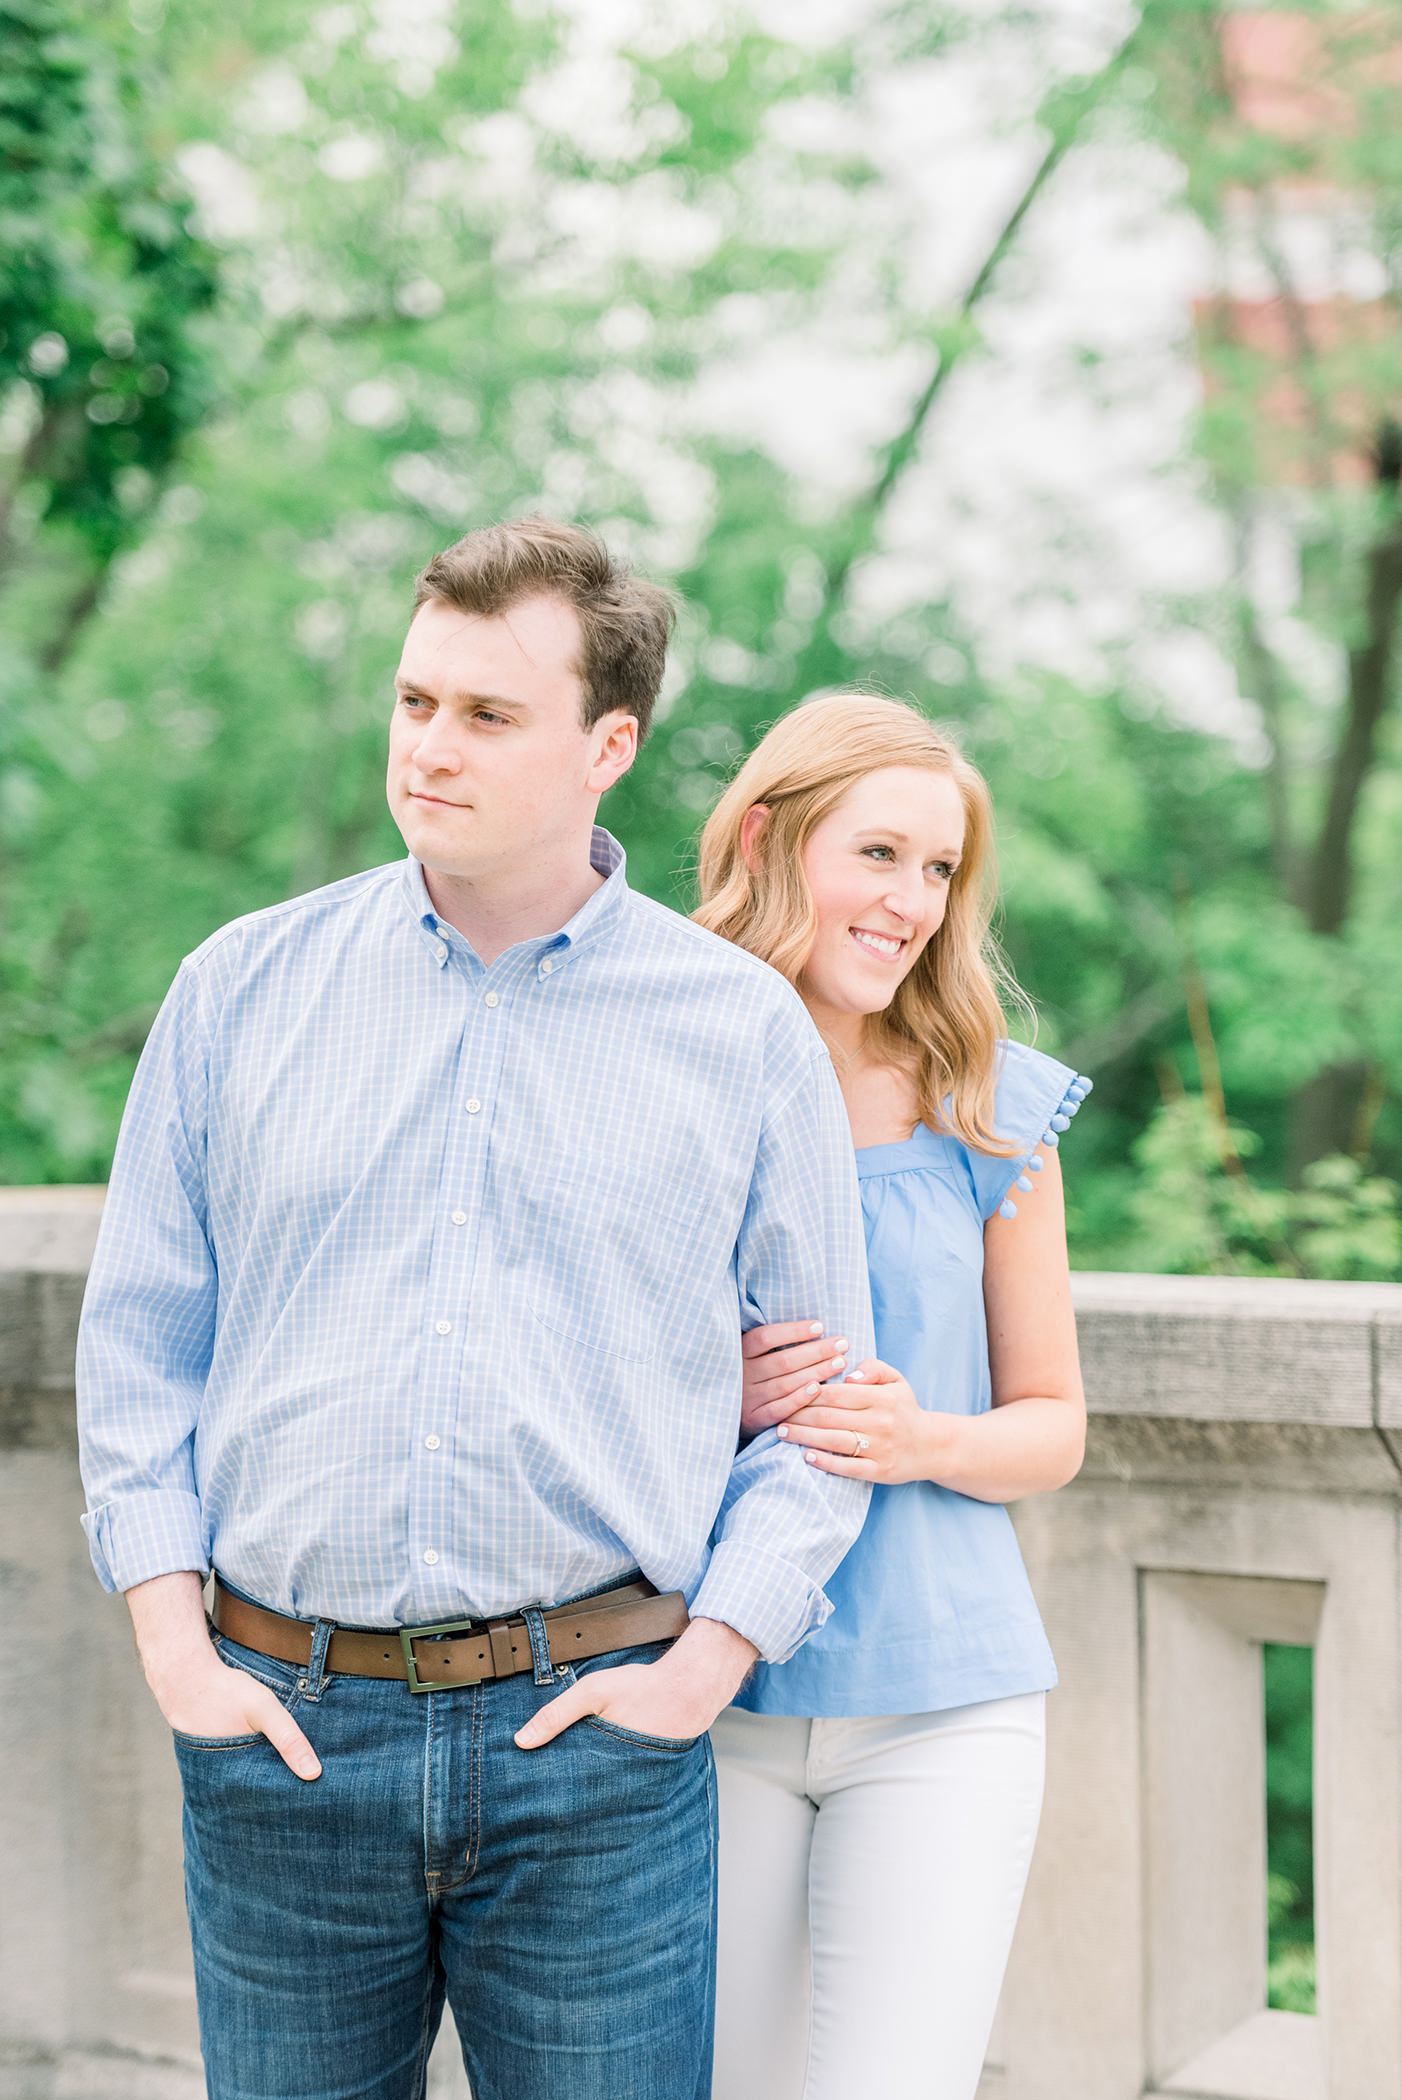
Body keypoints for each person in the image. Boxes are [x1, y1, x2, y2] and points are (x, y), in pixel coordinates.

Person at [75, 519, 876, 2100]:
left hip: (596, 1752)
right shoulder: (240, 989)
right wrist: (179, 1653)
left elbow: (828, 1409)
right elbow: (137, 1355)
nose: (428, 748)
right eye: (413, 701)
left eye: (488, 715)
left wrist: (703, 1667)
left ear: (609, 745)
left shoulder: (736, 1033)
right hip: (281, 1741)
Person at [693, 692, 1089, 2100]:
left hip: (945, 1705)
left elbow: (1051, 1422)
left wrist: (923, 1436)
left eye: (938, 872)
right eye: (878, 855)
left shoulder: (987, 1102)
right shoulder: (649, 1067)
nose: (912, 902)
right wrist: (706, 1393)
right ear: (767, 836)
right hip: (703, 1696)